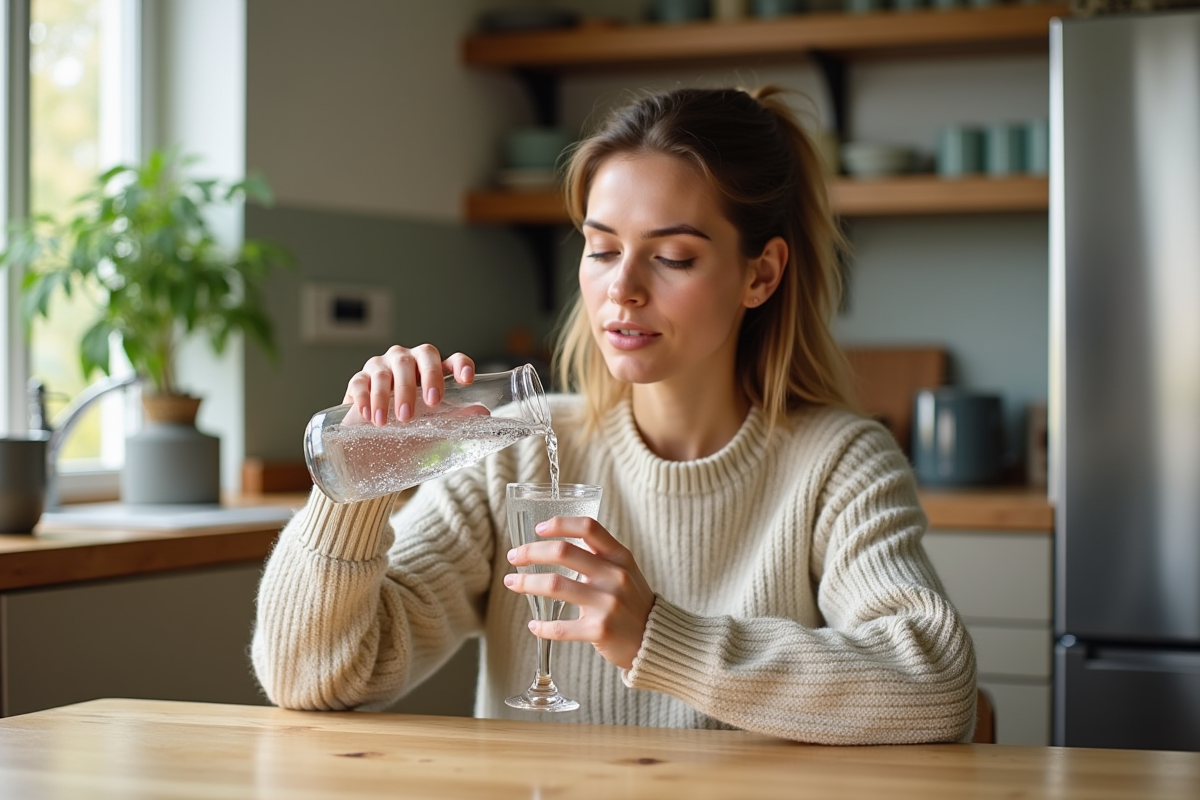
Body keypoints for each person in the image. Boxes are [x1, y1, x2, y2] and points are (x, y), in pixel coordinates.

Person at [251, 85, 977, 745]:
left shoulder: (839, 462)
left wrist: (658, 637)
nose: (620, 289)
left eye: (673, 258)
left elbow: (938, 686)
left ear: (761, 274)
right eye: (601, 249)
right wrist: (360, 479)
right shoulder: (515, 448)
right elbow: (310, 681)